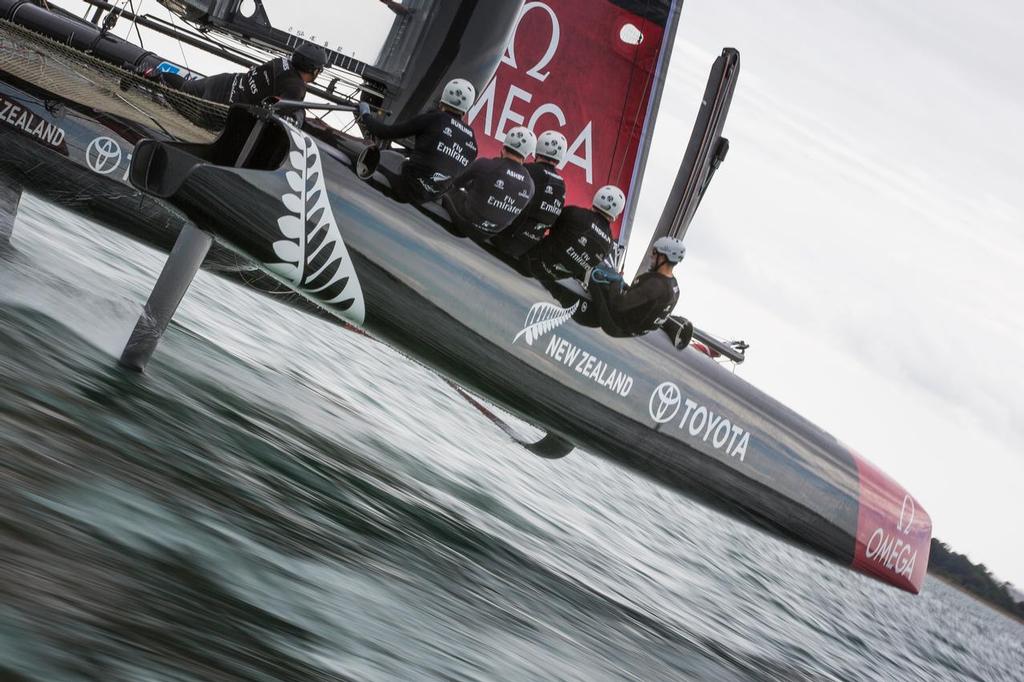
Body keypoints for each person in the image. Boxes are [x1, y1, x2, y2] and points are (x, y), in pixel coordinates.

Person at [357, 78, 479, 204]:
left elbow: (384, 133)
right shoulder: (473, 146)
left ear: (442, 100)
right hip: (430, 197)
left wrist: (365, 113)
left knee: (365, 155)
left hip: (405, 187)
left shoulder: (434, 119)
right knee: (396, 158)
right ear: (466, 110)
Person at [442, 127, 536, 240]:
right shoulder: (531, 184)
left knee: (446, 186)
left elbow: (456, 182)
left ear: (504, 146)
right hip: (490, 233)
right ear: (527, 155)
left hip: (466, 222)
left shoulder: (485, 164)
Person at [584, 236, 684, 337]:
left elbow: (618, 304)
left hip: (615, 325)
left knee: (594, 275)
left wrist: (617, 282)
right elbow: (641, 298)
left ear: (663, 257)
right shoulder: (673, 286)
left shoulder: (655, 285)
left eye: (654, 252)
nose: (650, 255)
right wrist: (622, 284)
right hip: (633, 330)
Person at [491, 130, 567, 258]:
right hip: (525, 248)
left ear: (537, 150)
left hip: (501, 237)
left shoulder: (527, 170)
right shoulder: (562, 185)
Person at [528, 185, 624, 280]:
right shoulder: (609, 244)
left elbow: (548, 222)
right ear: (617, 214)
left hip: (532, 260)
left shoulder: (575, 213)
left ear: (596, 197)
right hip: (556, 277)